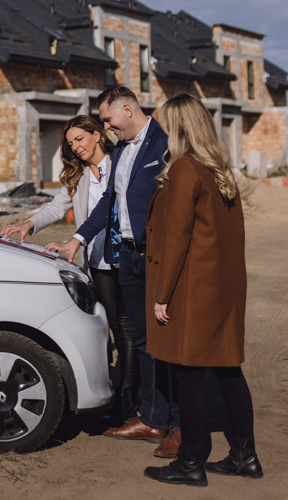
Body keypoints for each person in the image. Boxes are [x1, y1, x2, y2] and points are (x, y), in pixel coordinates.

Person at [46, 85, 181, 457]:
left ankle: (180, 425)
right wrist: (76, 240)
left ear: (126, 108)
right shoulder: (121, 151)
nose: (105, 127)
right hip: (129, 261)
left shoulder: (165, 144)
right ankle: (152, 418)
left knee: (168, 340)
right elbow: (108, 202)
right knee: (142, 342)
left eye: (107, 119)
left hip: (157, 257)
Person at [142, 94, 262, 486]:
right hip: (223, 287)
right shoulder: (220, 169)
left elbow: (175, 238)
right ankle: (245, 456)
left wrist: (162, 294)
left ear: (178, 127)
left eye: (164, 123)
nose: (160, 130)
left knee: (190, 374)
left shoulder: (185, 169)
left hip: (193, 288)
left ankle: (191, 462)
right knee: (228, 371)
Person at [0, 115, 136, 421]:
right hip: (98, 263)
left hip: (127, 258)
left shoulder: (122, 163)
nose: (76, 147)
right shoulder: (78, 174)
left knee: (129, 331)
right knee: (111, 328)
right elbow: (56, 207)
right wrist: (30, 223)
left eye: (80, 139)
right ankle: (119, 396)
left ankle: (129, 400)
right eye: (71, 143)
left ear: (97, 135)